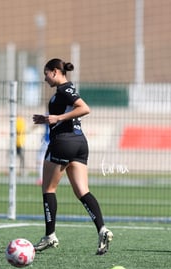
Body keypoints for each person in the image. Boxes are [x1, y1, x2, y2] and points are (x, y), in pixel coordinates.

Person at [32, 58, 113, 255]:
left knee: (49, 189)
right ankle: (102, 229)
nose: (45, 79)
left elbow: (84, 108)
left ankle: (50, 235)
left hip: (64, 143)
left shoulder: (64, 89)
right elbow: (68, 112)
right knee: (83, 191)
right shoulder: (64, 91)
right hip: (79, 143)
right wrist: (48, 120)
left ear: (54, 72)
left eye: (46, 74)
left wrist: (57, 118)